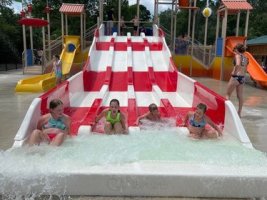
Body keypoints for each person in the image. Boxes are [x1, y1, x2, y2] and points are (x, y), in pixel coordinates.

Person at [225, 43, 249, 117]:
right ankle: (239, 113)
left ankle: (227, 112)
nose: (234, 50)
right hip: (242, 77)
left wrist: (234, 73)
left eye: (235, 49)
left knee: (227, 94)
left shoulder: (237, 55)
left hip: (236, 76)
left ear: (237, 50)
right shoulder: (245, 58)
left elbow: (238, 64)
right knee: (240, 96)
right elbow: (245, 69)